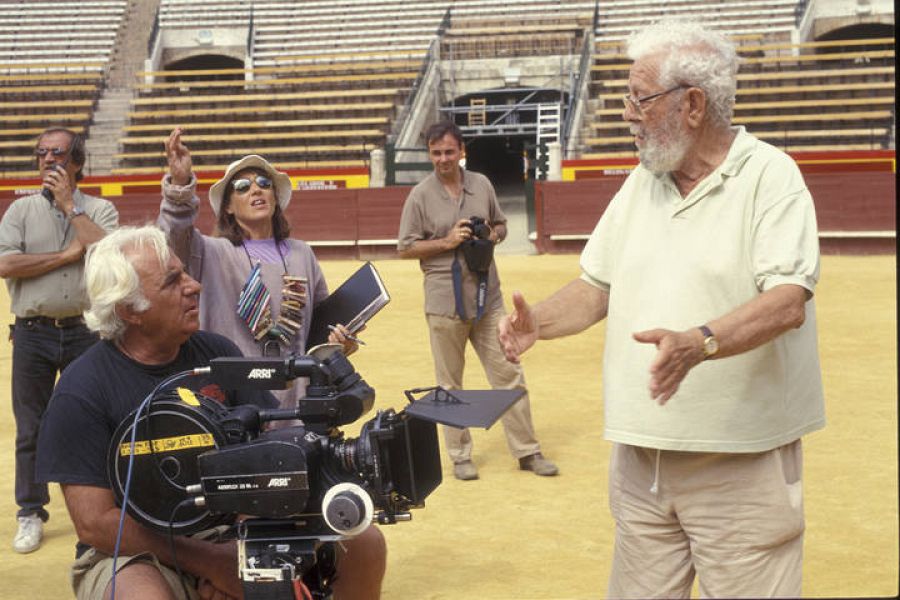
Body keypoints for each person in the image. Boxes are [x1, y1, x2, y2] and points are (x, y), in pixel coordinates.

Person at [498, 21, 825, 599]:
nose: (627, 112)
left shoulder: (771, 177)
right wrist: (538, 324)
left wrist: (700, 341)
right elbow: (597, 286)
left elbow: (786, 302)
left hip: (739, 466)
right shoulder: (640, 185)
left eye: (639, 98)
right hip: (641, 465)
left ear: (693, 105)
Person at [35, 226, 386, 599]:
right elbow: (96, 525)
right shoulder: (81, 390)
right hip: (133, 546)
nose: (194, 286)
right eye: (173, 281)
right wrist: (211, 563)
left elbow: (267, 452)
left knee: (364, 542)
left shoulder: (215, 353)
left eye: (185, 272)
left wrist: (247, 551)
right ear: (129, 310)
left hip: (231, 526)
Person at [397, 121, 557, 481]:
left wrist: (490, 233)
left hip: (488, 296)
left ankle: (528, 451)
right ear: (429, 155)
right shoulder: (420, 195)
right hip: (443, 301)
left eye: (449, 152)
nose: (443, 159)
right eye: (436, 153)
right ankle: (459, 456)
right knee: (449, 384)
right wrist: (447, 242)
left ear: (461, 151)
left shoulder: (481, 184)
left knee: (509, 374)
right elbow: (405, 247)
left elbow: (502, 226)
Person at [158, 127, 356, 414]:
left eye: (264, 183)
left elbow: (319, 330)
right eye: (242, 187)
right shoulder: (210, 251)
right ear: (227, 207)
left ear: (275, 198)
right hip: (232, 395)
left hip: (297, 394)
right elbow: (173, 234)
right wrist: (179, 183)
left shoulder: (302, 253)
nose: (256, 189)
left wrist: (339, 344)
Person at [0, 126, 119, 554]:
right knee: (30, 426)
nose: (47, 160)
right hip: (32, 333)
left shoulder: (99, 209)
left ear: (77, 163)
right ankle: (30, 511)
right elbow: (6, 264)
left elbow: (108, 254)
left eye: (57, 153)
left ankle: (106, 510)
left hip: (87, 331)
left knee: (96, 422)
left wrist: (70, 207)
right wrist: (67, 256)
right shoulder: (19, 212)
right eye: (41, 153)